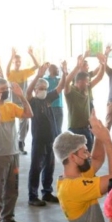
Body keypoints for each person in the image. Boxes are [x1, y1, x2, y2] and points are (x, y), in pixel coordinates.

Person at [0, 77, 31, 222]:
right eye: (1, 89)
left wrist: (21, 96)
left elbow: (28, 114)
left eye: (6, 89)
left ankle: (8, 218)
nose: (4, 92)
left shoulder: (11, 106)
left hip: (13, 153)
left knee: (12, 188)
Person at [27, 68, 66, 207]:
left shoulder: (48, 98)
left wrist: (65, 73)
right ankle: (32, 196)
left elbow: (60, 87)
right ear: (36, 90)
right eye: (40, 88)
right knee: (36, 168)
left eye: (45, 88)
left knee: (49, 166)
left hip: (51, 140)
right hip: (39, 140)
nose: (43, 90)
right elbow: (27, 93)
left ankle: (47, 192)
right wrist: (37, 75)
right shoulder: (32, 102)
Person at [66, 52, 108, 146]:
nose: (89, 83)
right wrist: (77, 66)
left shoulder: (87, 88)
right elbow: (66, 81)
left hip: (87, 128)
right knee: (77, 155)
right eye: (87, 81)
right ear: (79, 81)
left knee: (89, 156)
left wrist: (102, 64)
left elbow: (100, 77)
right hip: (74, 129)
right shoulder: (70, 91)